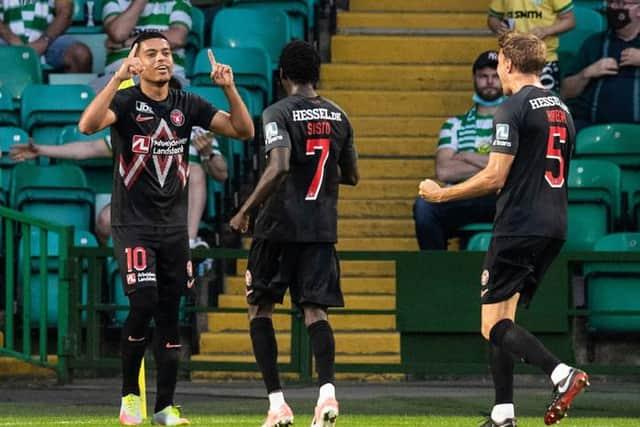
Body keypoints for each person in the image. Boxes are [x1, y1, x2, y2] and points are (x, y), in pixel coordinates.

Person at [78, 31, 253, 426]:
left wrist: (230, 90)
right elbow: (88, 125)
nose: (162, 59)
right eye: (152, 54)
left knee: (172, 315)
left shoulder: (186, 104)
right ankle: (129, 397)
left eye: (167, 53)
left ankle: (166, 408)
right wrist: (118, 75)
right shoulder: (125, 101)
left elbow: (243, 131)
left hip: (173, 228)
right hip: (133, 225)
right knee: (142, 303)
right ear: (136, 62)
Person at [418, 31, 588, 427]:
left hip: (519, 223)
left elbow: (496, 176)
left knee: (491, 325)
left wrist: (441, 196)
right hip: (554, 222)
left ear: (508, 64)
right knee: (502, 317)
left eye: (498, 62)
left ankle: (562, 375)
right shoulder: (561, 107)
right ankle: (502, 415)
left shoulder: (513, 107)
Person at [229, 40, 358, 427]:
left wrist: (244, 211)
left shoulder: (276, 112)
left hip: (278, 225)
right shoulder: (339, 115)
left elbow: (279, 165)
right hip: (320, 227)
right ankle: (327, 395)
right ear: (316, 74)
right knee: (315, 311)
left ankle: (277, 405)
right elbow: (352, 176)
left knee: (260, 307)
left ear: (282, 74)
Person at [9, 126, 227, 246]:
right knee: (105, 220)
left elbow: (222, 174)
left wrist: (208, 153)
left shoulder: (197, 131)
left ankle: (189, 242)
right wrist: (41, 150)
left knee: (196, 170)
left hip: (177, 208)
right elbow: (87, 150)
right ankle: (115, 272)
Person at [413, 50, 503, 250]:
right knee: (425, 206)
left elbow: (513, 168)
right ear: (474, 78)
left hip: (501, 198)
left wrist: (466, 156)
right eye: (483, 76)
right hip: (464, 196)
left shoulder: (518, 121)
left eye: (495, 76)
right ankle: (438, 275)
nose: (489, 81)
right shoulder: (454, 124)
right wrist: (493, 163)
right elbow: (444, 171)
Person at [561, 0, 640, 131]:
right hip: (592, 128)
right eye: (611, 3)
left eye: (620, 3)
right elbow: (565, 92)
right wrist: (587, 73)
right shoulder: (594, 43)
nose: (613, 7)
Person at [92, 0, 192, 92]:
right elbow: (118, 33)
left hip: (167, 75)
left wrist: (126, 42)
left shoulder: (178, 1)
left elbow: (177, 38)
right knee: (85, 96)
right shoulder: (115, 1)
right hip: (118, 75)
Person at [487, 0, 575, 93]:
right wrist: (498, 27)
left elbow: (570, 20)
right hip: (512, 61)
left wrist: (546, 31)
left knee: (544, 104)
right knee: (513, 104)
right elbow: (493, 18)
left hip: (544, 60)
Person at [0, 0, 92, 72]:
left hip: (48, 38)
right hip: (6, 39)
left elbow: (65, 11)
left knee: (80, 55)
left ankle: (70, 95)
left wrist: (44, 41)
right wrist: (12, 39)